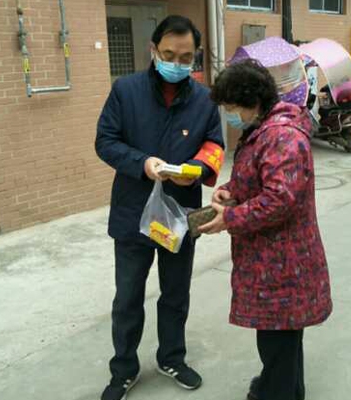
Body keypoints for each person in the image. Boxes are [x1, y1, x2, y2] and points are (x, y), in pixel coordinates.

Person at [95, 15, 224, 400]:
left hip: (179, 214)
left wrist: (196, 170)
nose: (176, 63)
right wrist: (142, 163)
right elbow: (105, 141)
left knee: (175, 294)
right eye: (168, 55)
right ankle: (124, 369)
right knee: (128, 297)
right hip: (133, 213)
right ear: (153, 49)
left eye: (185, 58)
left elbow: (215, 145)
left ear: (195, 56)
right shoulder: (126, 90)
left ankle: (172, 358)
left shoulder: (203, 99)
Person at [199, 59, 332, 400]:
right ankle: (285, 389)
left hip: (283, 264)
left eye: (232, 107)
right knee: (283, 342)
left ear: (253, 101)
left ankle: (277, 392)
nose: (230, 115)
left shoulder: (282, 136)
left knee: (278, 343)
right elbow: (261, 178)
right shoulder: (264, 130)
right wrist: (231, 190)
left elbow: (280, 199)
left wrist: (230, 218)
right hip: (272, 260)